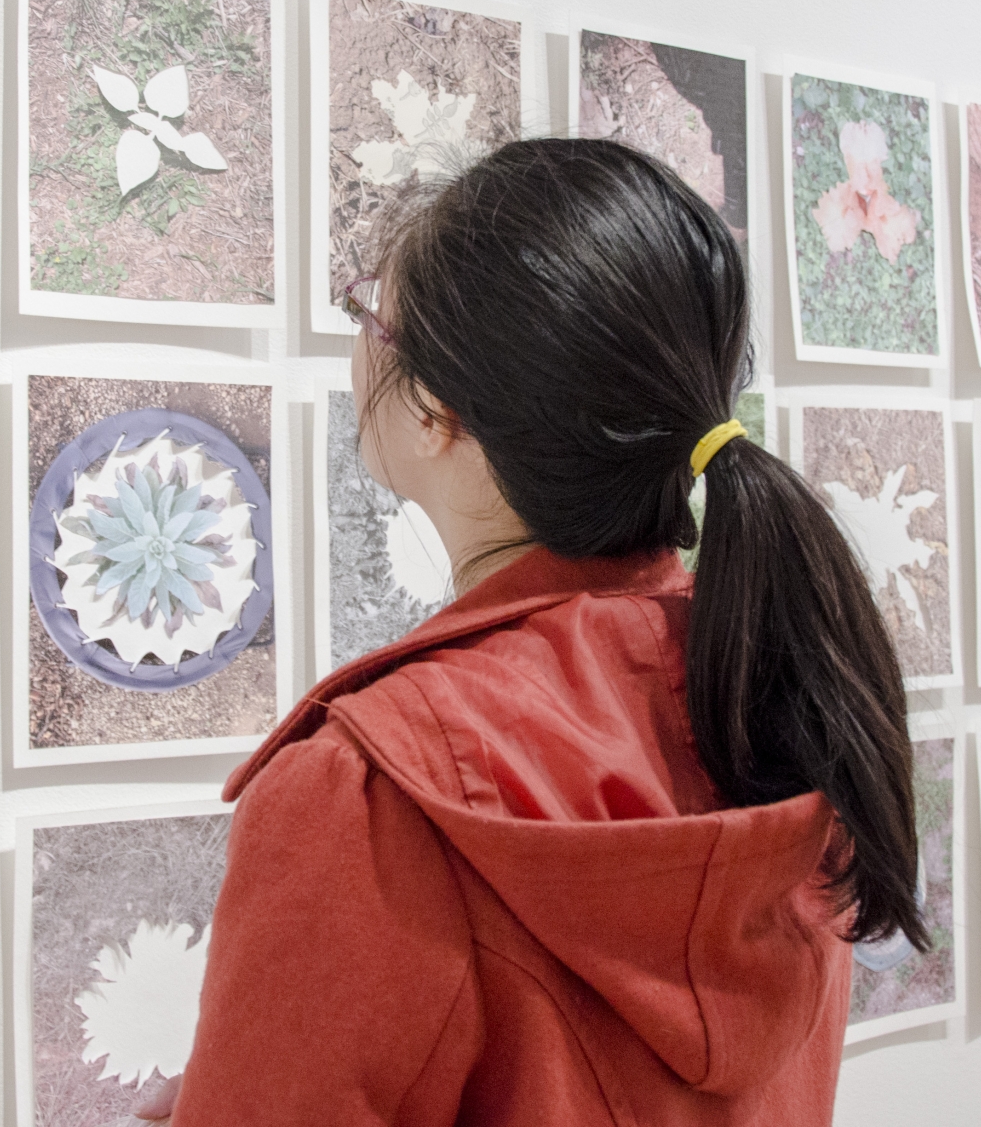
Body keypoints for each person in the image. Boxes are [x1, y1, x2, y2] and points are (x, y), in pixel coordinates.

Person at [135, 138, 923, 1126]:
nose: (357, 338)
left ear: (438, 413)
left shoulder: (373, 798)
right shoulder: (779, 678)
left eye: (368, 312)